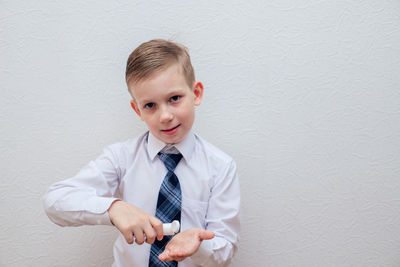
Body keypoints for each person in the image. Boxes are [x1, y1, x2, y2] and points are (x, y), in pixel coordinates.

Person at [43, 39, 240, 267]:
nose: (165, 116)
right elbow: (55, 201)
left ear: (196, 93)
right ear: (137, 109)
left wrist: (199, 246)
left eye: (174, 98)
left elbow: (225, 250)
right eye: (150, 105)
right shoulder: (121, 157)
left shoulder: (221, 166)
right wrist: (113, 208)